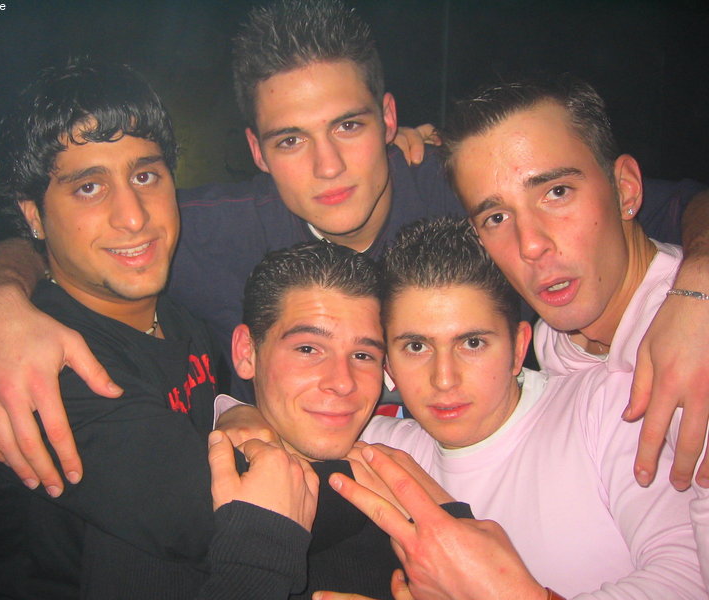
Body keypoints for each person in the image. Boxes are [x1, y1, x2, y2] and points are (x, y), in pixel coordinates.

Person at [0, 0, 708, 497]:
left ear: (388, 117)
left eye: (348, 126)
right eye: (292, 140)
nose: (328, 167)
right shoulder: (202, 232)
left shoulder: (464, 187)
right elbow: (61, 237)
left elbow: (670, 205)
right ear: (258, 151)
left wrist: (700, 285)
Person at [0, 59, 320, 599]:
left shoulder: (180, 319)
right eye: (88, 187)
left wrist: (232, 410)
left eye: (145, 176)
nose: (133, 216)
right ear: (34, 216)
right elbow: (220, 521)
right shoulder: (38, 365)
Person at [323, 77, 709, 600]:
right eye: (497, 216)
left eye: (556, 192)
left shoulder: (696, 338)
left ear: (625, 189)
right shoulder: (557, 346)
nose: (531, 244)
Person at [353, 217, 704, 598]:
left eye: (472, 343)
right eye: (417, 347)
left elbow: (692, 578)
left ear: (519, 348)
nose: (444, 379)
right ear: (388, 365)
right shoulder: (387, 449)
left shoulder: (605, 406)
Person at [213, 240, 472, 599]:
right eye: (308, 349)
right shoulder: (176, 508)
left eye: (363, 355)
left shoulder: (411, 486)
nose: (342, 382)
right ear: (247, 353)